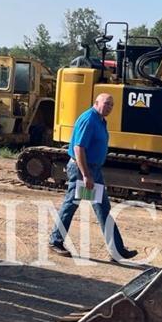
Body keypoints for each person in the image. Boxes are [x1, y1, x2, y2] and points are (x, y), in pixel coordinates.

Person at [49, 93, 138, 261]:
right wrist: (85, 175)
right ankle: (55, 241)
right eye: (107, 103)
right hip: (82, 170)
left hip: (93, 171)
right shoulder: (89, 119)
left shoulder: (100, 120)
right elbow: (78, 148)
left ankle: (117, 250)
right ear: (96, 103)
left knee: (103, 208)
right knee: (71, 205)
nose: (110, 107)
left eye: (112, 104)